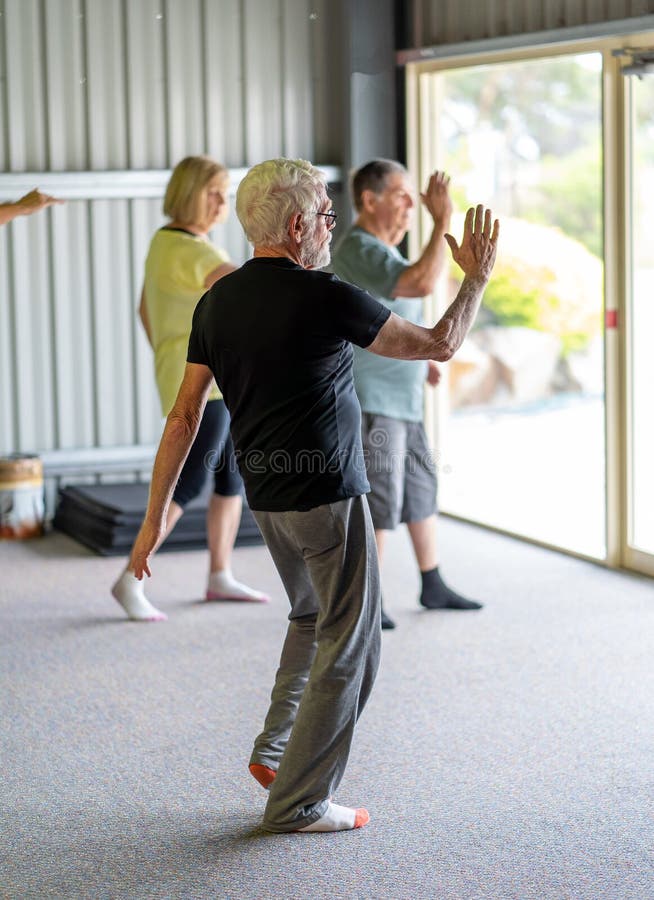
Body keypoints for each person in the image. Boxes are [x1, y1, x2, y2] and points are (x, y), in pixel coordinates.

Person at [128, 158, 499, 833]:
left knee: (309, 616)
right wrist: (475, 277)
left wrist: (154, 519)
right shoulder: (326, 295)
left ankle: (275, 752)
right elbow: (442, 342)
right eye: (326, 213)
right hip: (328, 496)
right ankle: (300, 801)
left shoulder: (219, 301)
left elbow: (183, 416)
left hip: (269, 502)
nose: (331, 222)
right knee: (353, 644)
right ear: (297, 225)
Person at [111, 155, 268, 622]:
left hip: (190, 376)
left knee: (229, 476)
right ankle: (129, 578)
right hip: (206, 385)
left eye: (226, 193)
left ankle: (219, 575)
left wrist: (170, 353)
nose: (223, 202)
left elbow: (145, 309)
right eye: (213, 192)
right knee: (193, 477)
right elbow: (250, 290)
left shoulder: (164, 244)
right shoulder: (197, 253)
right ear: (188, 194)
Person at [331, 158, 481, 630]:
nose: (411, 204)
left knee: (419, 488)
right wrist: (443, 222)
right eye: (401, 194)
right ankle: (366, 601)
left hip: (403, 396)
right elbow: (421, 282)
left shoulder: (388, 254)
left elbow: (391, 317)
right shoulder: (359, 247)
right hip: (374, 399)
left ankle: (431, 581)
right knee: (381, 501)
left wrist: (423, 359)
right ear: (369, 200)